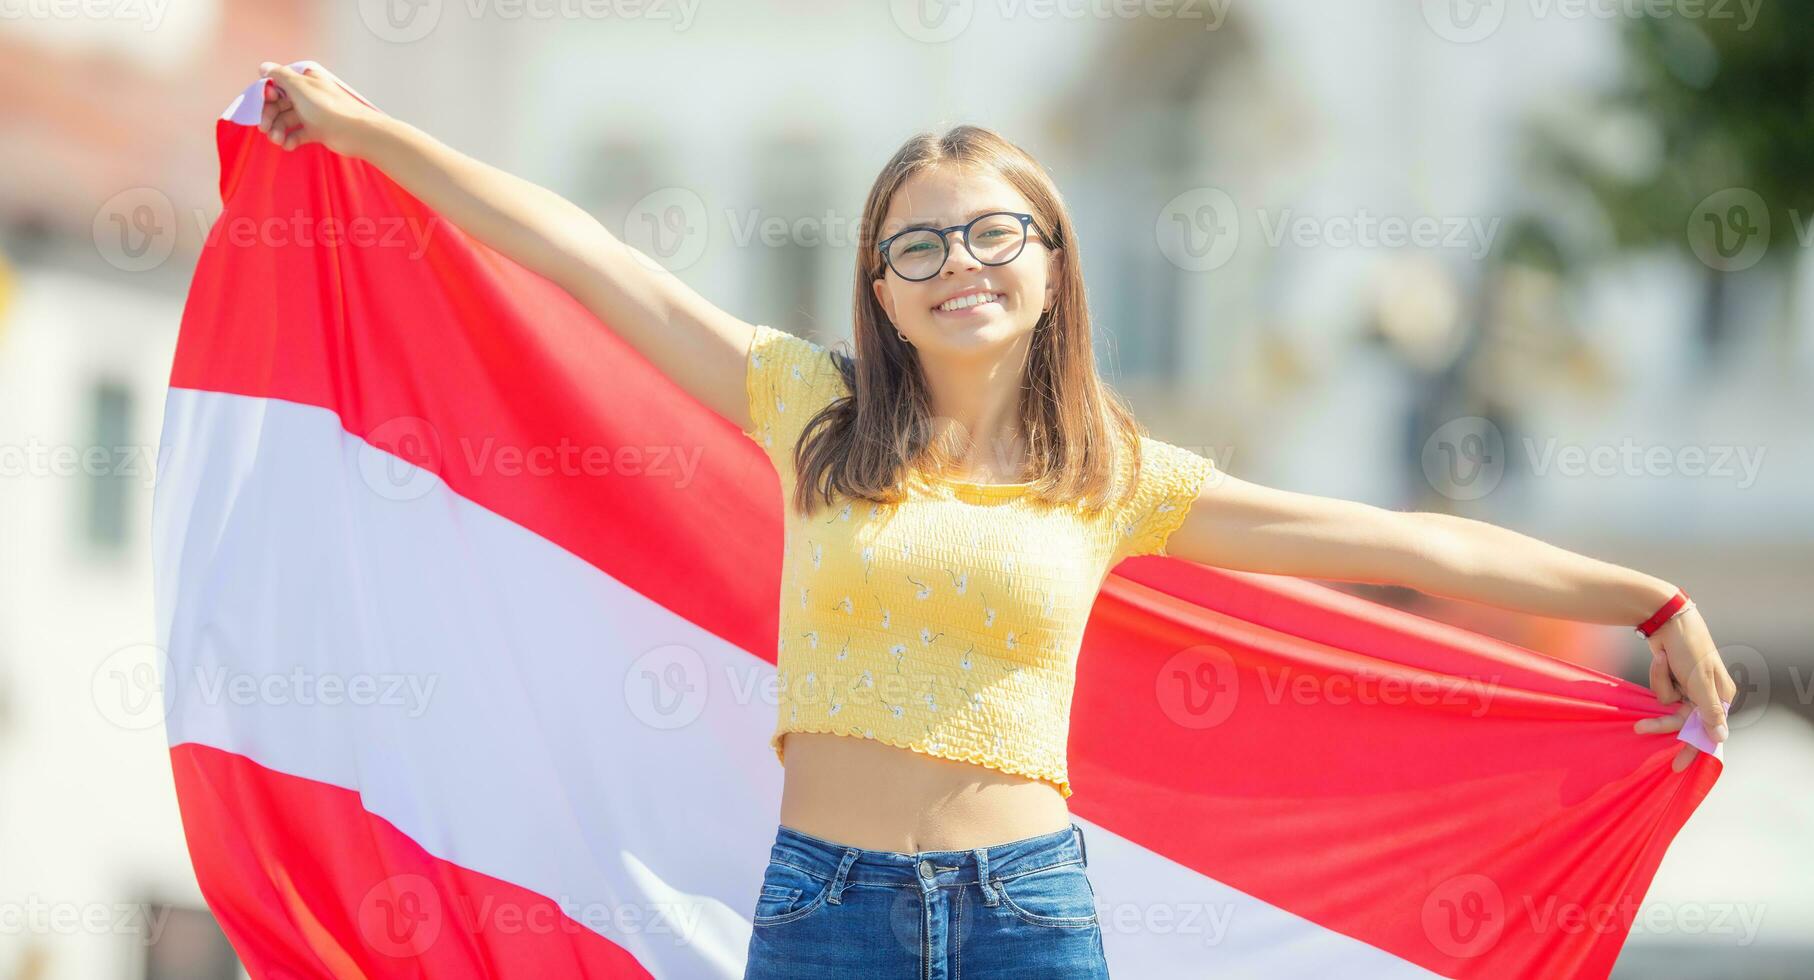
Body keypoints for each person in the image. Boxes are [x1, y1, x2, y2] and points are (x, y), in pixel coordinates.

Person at [250, 61, 1738, 978]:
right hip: (822, 911)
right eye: (916, 242)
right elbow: (587, 260)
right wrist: (371, 137)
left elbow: (1400, 544)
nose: (956, 262)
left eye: (989, 232)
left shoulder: (1109, 475)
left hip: (1028, 912)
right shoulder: (805, 411)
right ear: (879, 284)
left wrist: (1643, 599)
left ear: (1046, 262)